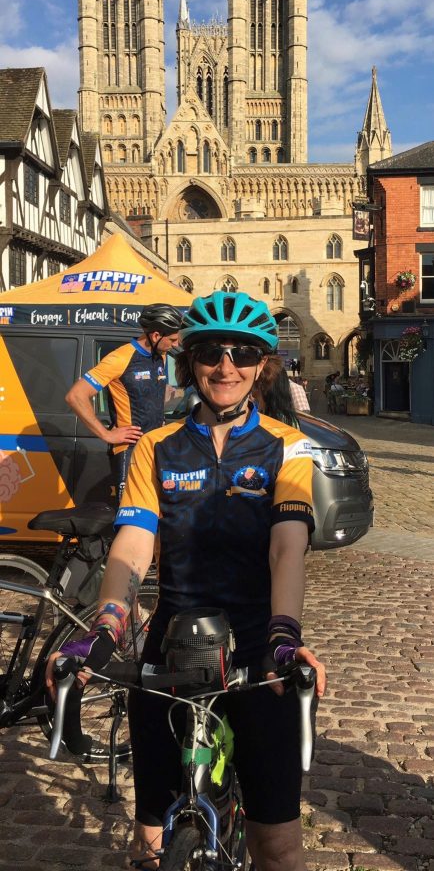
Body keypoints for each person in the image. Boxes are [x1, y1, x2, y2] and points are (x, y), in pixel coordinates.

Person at [47, 290, 326, 871]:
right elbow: (134, 543)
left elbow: (287, 546)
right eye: (211, 352)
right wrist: (103, 627)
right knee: (151, 841)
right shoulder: (157, 446)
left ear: (262, 366)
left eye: (243, 353)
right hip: (171, 645)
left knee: (278, 847)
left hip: (257, 641)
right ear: (190, 360)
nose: (227, 366)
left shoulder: (289, 446)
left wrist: (285, 633)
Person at [65, 303, 183, 502]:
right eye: (172, 339)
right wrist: (106, 434)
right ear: (155, 336)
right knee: (129, 515)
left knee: (157, 513)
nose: (175, 344)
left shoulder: (160, 356)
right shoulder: (120, 358)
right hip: (129, 449)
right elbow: (75, 396)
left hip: (154, 446)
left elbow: (149, 396)